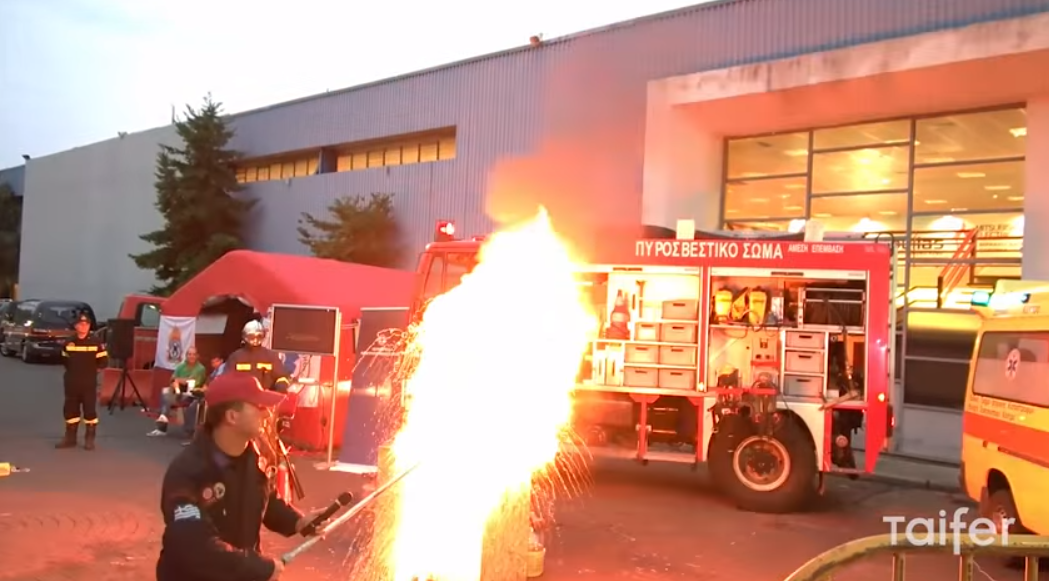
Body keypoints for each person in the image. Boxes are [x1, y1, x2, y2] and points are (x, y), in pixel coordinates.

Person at [156, 373, 324, 581]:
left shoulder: (255, 457)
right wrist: (257, 568)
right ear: (232, 417)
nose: (266, 413)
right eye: (258, 407)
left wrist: (298, 521)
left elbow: (266, 499)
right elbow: (197, 548)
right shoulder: (188, 472)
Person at [56, 312, 107, 451]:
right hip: (71, 382)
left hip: (88, 383)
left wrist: (91, 372)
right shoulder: (69, 342)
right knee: (70, 411)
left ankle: (89, 439)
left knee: (89, 411)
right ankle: (70, 438)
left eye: (86, 324)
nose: (84, 326)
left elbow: (103, 361)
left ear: (89, 326)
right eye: (81, 324)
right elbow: (64, 360)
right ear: (76, 326)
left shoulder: (95, 342)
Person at [149, 346, 208, 437]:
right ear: (186, 356)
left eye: (194, 354)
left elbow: (193, 381)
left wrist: (179, 380)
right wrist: (177, 383)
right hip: (179, 392)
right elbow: (172, 380)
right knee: (165, 392)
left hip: (193, 394)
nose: (191, 356)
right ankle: (162, 424)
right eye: (189, 354)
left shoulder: (200, 368)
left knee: (170, 395)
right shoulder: (181, 366)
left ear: (197, 356)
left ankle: (165, 421)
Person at [225, 320, 291, 393]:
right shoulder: (235, 357)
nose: (255, 340)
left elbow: (282, 377)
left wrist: (281, 387)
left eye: (259, 336)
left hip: (265, 397)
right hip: (242, 397)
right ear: (244, 336)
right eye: (251, 337)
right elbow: (227, 379)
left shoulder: (271, 356)